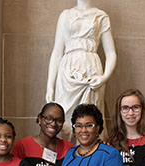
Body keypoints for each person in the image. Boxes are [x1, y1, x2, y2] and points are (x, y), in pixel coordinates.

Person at [46, 0, 117, 141]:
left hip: (92, 72)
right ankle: (66, 159)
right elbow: (57, 52)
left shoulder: (100, 16)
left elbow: (111, 53)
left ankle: (91, 159)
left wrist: (104, 77)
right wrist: (50, 86)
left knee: (91, 119)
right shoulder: (66, 15)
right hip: (67, 73)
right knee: (64, 120)